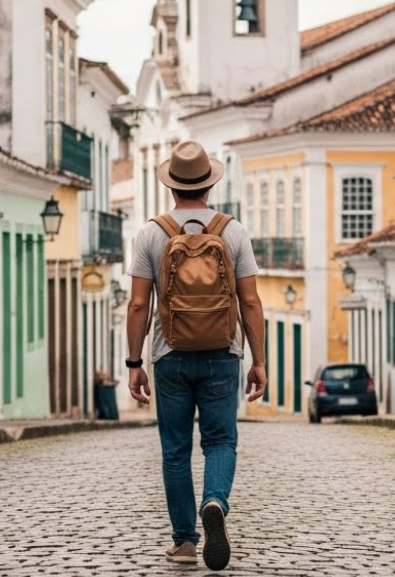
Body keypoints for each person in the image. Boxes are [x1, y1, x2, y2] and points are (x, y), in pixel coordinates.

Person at [125, 140, 266, 571]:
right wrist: (258, 361)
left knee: (175, 449)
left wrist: (135, 364)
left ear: (172, 188)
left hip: (170, 356)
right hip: (223, 352)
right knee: (221, 440)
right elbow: (251, 303)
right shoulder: (233, 230)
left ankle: (185, 542)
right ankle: (215, 501)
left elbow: (136, 305)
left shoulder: (152, 232)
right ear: (209, 186)